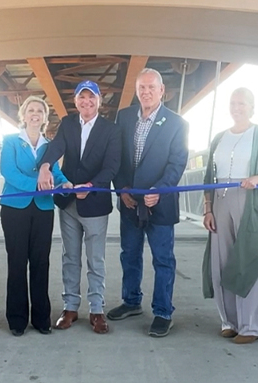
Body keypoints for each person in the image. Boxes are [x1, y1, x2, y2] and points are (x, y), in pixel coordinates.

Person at [36, 80, 122, 334]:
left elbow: (112, 166)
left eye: (91, 97)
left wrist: (92, 185)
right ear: (75, 101)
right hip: (68, 202)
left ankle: (97, 309)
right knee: (70, 257)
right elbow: (55, 148)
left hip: (95, 202)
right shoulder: (68, 124)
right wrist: (45, 165)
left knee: (96, 260)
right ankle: (70, 307)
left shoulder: (111, 130)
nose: (86, 102)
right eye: (81, 98)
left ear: (99, 101)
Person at [108, 68, 188, 337]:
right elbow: (116, 157)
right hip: (130, 203)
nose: (146, 92)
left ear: (162, 90)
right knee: (129, 254)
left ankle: (163, 312)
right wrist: (121, 189)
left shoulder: (178, 123)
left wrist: (160, 190)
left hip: (160, 203)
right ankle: (131, 301)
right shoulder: (125, 117)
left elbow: (177, 163)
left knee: (163, 259)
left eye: (151, 87)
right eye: (141, 87)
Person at [201, 88, 258, 344]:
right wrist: (208, 208)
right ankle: (229, 321)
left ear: (252, 106)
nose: (237, 107)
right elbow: (208, 177)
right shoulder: (219, 138)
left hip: (250, 203)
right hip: (220, 202)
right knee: (221, 261)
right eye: (233, 103)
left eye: (242, 103)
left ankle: (252, 325)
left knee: (250, 260)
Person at [0, 96, 69, 336]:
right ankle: (17, 319)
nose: (35, 114)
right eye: (31, 110)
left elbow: (55, 173)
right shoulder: (10, 141)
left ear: (44, 117)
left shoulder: (49, 146)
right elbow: (8, 172)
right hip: (15, 209)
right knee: (17, 262)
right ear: (23, 114)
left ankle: (41, 318)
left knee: (41, 263)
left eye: (40, 110)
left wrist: (65, 182)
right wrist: (38, 185)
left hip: (42, 209)